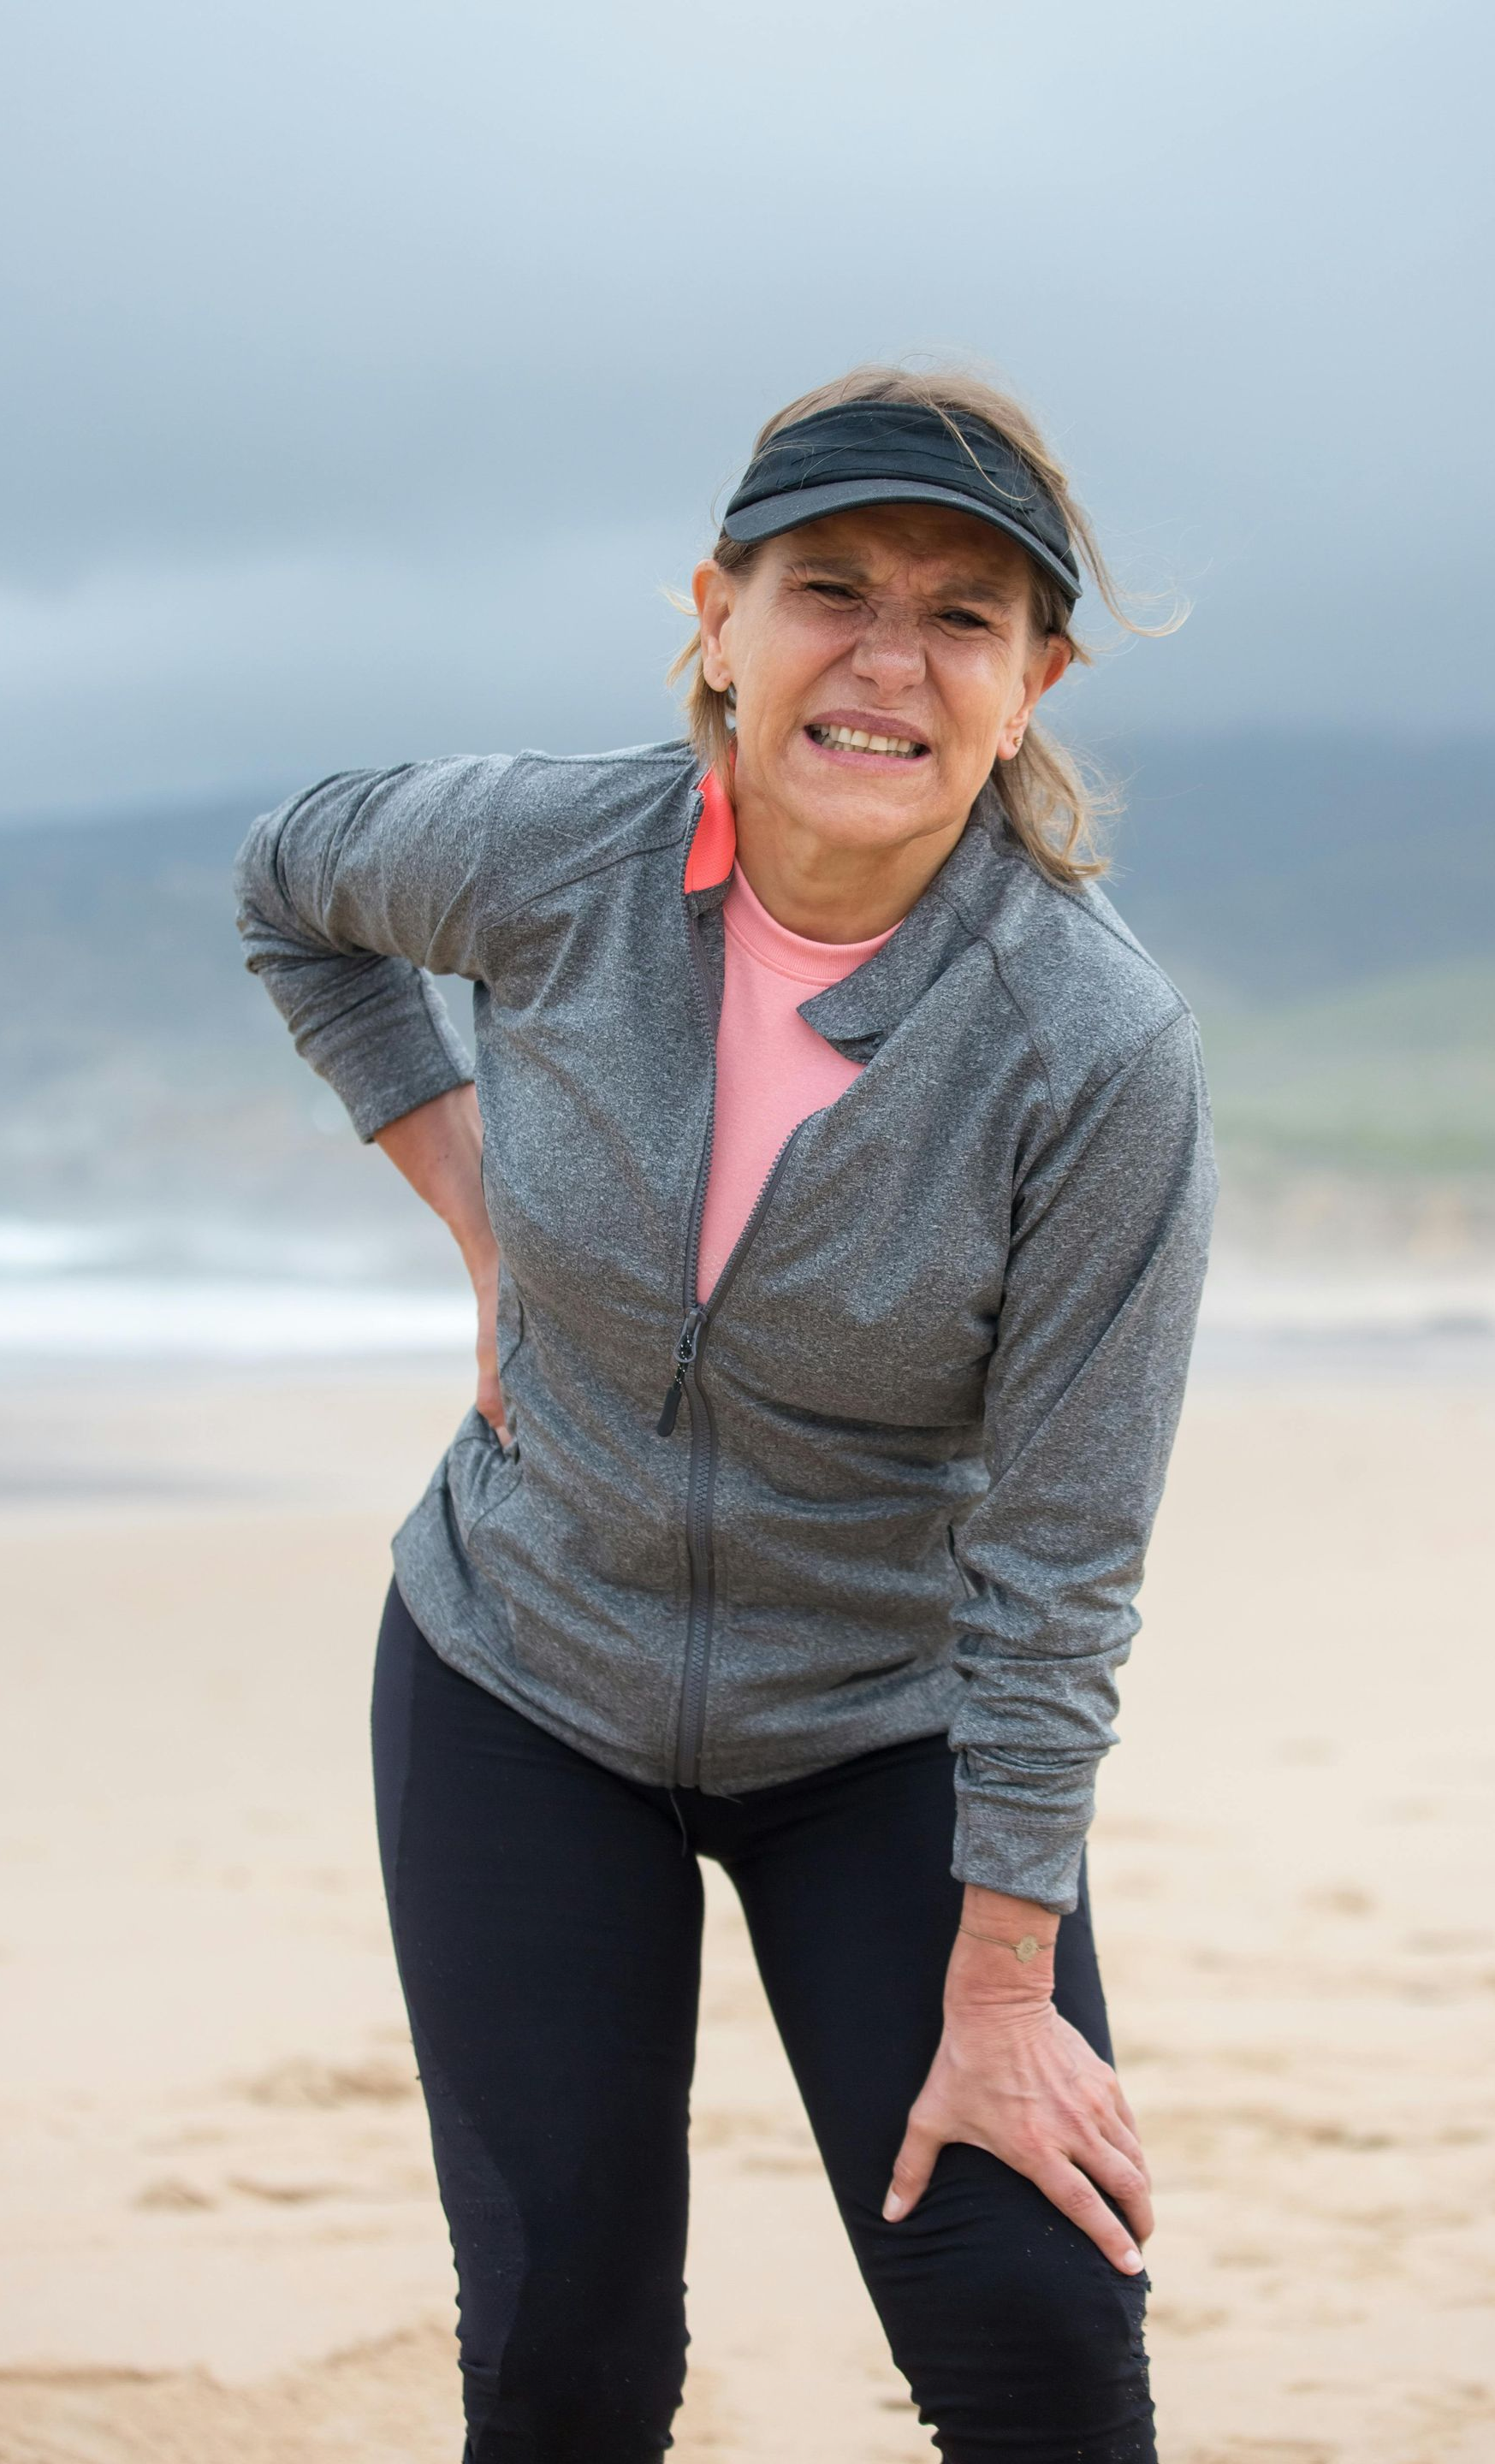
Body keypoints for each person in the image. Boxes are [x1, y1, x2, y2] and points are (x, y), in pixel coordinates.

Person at [235, 364, 1215, 2464]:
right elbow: (289, 886)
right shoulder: (552, 861)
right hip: (524, 1677)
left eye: (962, 616)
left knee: (1043, 2346)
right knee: (569, 2356)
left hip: (885, 1727)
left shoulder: (1089, 1047)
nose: (886, 659)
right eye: (828, 590)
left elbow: (1062, 1561)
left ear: (1033, 680)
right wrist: (475, 1200)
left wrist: (999, 1998)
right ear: (716, 617)